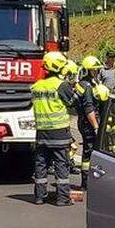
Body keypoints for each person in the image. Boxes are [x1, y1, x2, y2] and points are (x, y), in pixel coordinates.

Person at [31, 52, 79, 205]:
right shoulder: (61, 85)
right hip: (59, 133)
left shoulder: (36, 86)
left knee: (41, 165)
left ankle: (39, 196)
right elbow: (73, 102)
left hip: (41, 134)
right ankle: (62, 198)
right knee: (61, 166)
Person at [73, 55, 110, 194]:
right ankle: (87, 182)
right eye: (94, 70)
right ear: (89, 70)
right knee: (91, 151)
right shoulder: (87, 86)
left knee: (89, 151)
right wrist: (96, 126)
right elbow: (89, 108)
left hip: (83, 121)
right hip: (89, 122)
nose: (97, 72)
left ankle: (86, 181)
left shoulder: (82, 83)